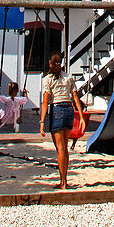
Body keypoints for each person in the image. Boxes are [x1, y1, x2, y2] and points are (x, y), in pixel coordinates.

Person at [40, 52, 86, 189]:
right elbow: (75, 98)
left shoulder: (48, 79)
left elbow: (45, 101)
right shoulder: (69, 78)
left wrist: (42, 122)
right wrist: (82, 117)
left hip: (57, 109)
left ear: (50, 63)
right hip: (69, 110)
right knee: (65, 148)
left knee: (60, 149)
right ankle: (64, 180)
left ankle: (63, 183)